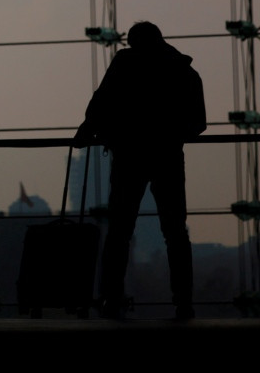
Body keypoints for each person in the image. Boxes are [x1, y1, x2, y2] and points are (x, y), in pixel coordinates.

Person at [73, 21, 205, 320]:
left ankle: (111, 297)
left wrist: (93, 129)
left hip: (128, 156)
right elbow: (197, 124)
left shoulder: (125, 65)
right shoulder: (184, 72)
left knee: (120, 230)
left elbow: (101, 101)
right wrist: (168, 132)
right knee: (174, 232)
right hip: (168, 157)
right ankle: (183, 300)